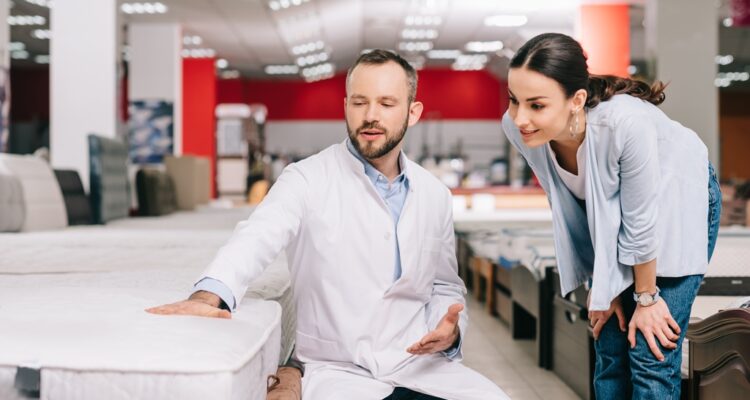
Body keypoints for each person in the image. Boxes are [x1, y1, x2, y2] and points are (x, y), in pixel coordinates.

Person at [148, 49, 508, 400]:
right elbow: (257, 235)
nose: (370, 116)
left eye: (386, 104)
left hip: (420, 366)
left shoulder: (434, 194)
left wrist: (450, 332)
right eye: (359, 102)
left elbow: (445, 285)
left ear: (412, 113)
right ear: (346, 107)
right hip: (337, 370)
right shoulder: (306, 178)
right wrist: (208, 296)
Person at [501, 32, 722, 399]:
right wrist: (602, 287)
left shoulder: (624, 126)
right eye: (513, 100)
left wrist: (646, 298)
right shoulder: (518, 129)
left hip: (680, 200)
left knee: (649, 350)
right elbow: (575, 206)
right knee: (610, 343)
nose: (521, 118)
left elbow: (641, 220)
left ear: (577, 100)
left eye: (536, 105)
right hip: (628, 217)